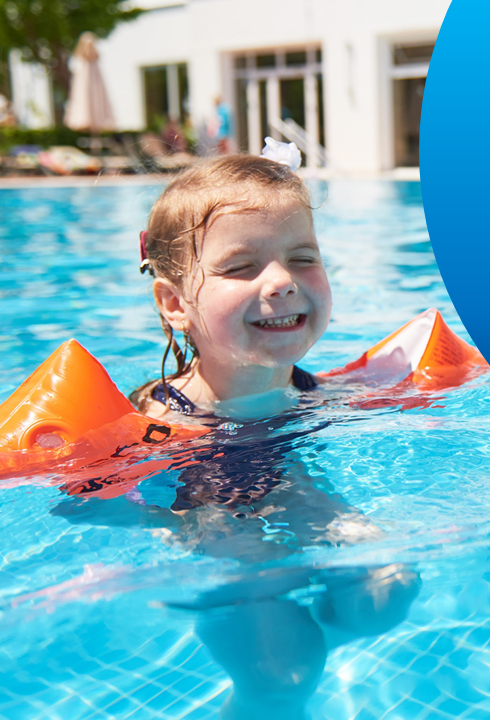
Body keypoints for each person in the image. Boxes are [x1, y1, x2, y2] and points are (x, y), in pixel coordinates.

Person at [130, 150, 419, 719]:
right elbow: (108, 485)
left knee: (389, 588)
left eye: (302, 257)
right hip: (219, 529)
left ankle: (318, 632)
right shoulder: (168, 417)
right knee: (282, 676)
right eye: (241, 267)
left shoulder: (312, 391)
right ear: (174, 303)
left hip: (293, 493)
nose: (283, 281)